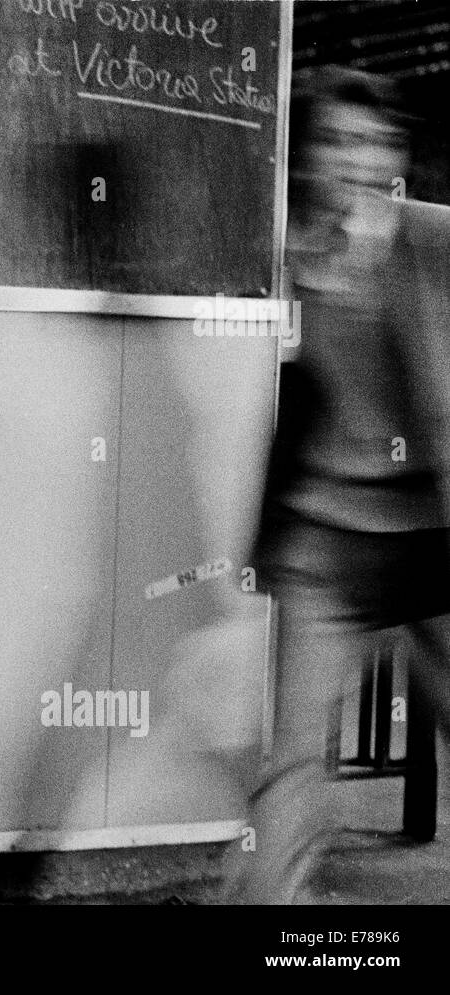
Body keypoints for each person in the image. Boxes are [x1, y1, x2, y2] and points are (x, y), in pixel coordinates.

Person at [226, 66, 450, 903]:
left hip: (434, 532)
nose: (354, 159)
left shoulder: (432, 238)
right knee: (291, 764)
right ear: (305, 158)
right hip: (329, 542)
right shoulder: (283, 256)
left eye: (370, 140)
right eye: (335, 142)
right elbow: (283, 402)